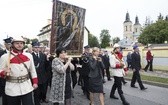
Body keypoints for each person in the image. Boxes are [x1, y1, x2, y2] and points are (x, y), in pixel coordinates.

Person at [0, 37, 38, 105]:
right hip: (12, 88)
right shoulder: (4, 57)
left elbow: (32, 70)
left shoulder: (29, 56)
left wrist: (35, 82)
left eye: (21, 43)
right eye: (17, 43)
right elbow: (0, 71)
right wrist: (4, 72)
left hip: (27, 86)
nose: (19, 45)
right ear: (12, 45)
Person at [0, 37, 13, 105]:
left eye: (11, 44)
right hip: (4, 78)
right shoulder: (1, 53)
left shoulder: (15, 53)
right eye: (8, 44)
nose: (10, 45)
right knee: (5, 96)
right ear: (5, 44)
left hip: (13, 79)